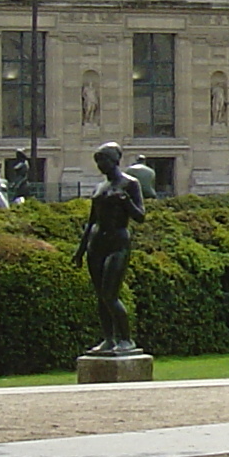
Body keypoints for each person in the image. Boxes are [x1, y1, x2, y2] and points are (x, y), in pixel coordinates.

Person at [74, 141, 148, 354]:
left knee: (110, 294)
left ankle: (126, 339)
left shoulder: (130, 184)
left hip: (118, 242)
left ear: (114, 160)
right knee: (100, 296)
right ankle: (108, 339)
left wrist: (126, 202)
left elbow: (140, 216)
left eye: (103, 161)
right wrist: (80, 251)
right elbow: (91, 221)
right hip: (96, 244)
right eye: (98, 162)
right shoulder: (99, 188)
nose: (100, 166)